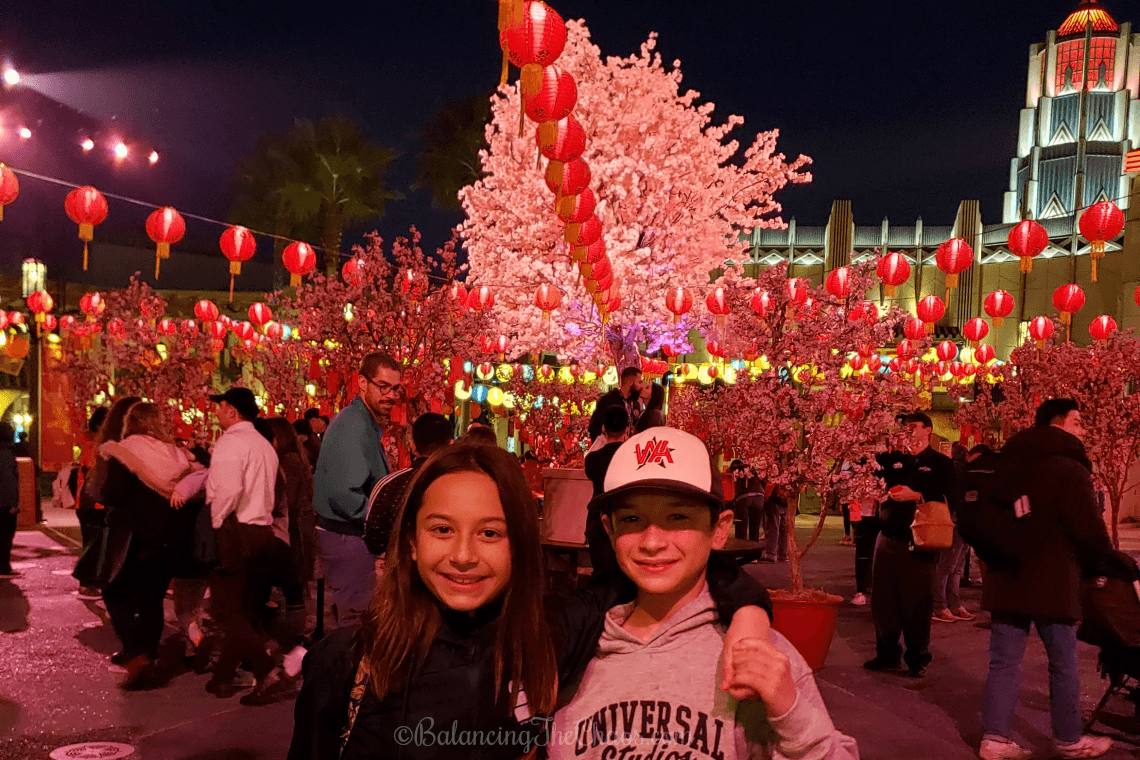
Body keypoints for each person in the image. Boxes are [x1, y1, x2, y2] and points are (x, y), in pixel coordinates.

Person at [287, 442, 771, 760]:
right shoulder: (350, 661)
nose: (463, 556)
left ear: (520, 544)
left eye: (490, 533)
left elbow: (675, 563)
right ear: (411, 542)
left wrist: (749, 615)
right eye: (441, 530)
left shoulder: (549, 633)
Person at [549, 427, 859, 760]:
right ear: (610, 531)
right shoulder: (576, 645)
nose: (652, 542)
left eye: (678, 517)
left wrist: (792, 714)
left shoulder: (756, 654)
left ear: (720, 528)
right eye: (633, 518)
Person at [977, 399, 1116, 760]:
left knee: (1003, 660)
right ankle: (1068, 738)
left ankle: (995, 739)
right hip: (1052, 580)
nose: (1082, 431)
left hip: (1007, 572)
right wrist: (1107, 560)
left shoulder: (1010, 460)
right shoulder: (1067, 467)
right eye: (1078, 422)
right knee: (1063, 661)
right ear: (1059, 424)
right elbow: (1087, 529)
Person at [97, 402, 201, 688]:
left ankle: (136, 652)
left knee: (114, 592)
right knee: (152, 599)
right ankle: (149, 655)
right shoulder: (177, 456)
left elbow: (112, 492)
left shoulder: (125, 451)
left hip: (134, 537)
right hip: (169, 537)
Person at [205, 387, 290, 705]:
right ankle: (224, 677)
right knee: (243, 609)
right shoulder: (263, 444)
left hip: (236, 531)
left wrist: (214, 523)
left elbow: (227, 490)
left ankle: (270, 672)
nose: (216, 412)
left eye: (220, 407)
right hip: (262, 531)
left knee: (228, 611)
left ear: (230, 410)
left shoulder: (231, 442)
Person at [313, 352, 401, 628]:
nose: (390, 395)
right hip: (347, 537)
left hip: (348, 536)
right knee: (357, 623)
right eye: (383, 386)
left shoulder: (362, 423)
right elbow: (345, 494)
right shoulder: (353, 425)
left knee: (359, 619)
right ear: (362, 382)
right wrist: (381, 525)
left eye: (395, 388)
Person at [864, 412, 954, 678]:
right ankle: (887, 654)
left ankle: (917, 658)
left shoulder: (940, 464)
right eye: (904, 427)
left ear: (928, 430)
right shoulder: (892, 459)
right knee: (884, 601)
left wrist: (917, 496)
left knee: (916, 601)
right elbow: (866, 470)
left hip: (920, 540)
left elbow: (950, 497)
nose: (908, 431)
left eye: (913, 427)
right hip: (887, 538)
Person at [76, 397, 142, 601]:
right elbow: (94, 476)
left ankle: (93, 582)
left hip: (93, 503)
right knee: (95, 544)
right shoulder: (97, 446)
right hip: (93, 504)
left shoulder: (96, 444)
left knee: (97, 544)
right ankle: (88, 583)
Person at [363, 412, 453, 556]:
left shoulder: (390, 484)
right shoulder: (459, 486)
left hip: (398, 569)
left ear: (412, 444)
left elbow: (373, 539)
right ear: (450, 445)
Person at [583, 406, 630, 576]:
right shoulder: (631, 457)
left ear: (603, 428)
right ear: (627, 428)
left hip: (597, 520)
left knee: (601, 574)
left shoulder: (593, 460)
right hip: (624, 520)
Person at [932, 443, 975, 623]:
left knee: (954, 566)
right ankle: (940, 605)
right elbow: (954, 494)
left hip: (960, 520)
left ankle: (952, 603)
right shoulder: (959, 470)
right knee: (949, 566)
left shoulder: (962, 469)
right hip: (957, 520)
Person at [587, 366, 643, 443]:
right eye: (639, 382)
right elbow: (595, 427)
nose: (641, 386)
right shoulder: (608, 400)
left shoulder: (635, 402)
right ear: (630, 382)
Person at [0, 423, 19, 579]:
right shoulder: (5, 453)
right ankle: (3, 567)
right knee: (5, 535)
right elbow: (8, 481)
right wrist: (13, 503)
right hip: (4, 504)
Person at [729, 459, 765, 542]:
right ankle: (754, 551)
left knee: (741, 527)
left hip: (743, 498)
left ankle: (741, 549)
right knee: (755, 528)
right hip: (759, 497)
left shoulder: (735, 472)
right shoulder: (752, 471)